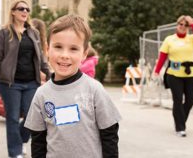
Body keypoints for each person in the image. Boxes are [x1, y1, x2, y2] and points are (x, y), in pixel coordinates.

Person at [24, 14, 122, 158]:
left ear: (84, 54)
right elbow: (38, 141)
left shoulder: (94, 90)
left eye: (73, 49)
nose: (65, 55)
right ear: (46, 49)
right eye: (58, 47)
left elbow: (110, 135)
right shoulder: (41, 94)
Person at [0, 0, 50, 158]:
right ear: (13, 12)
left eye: (27, 9)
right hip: (10, 83)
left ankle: (21, 139)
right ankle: (15, 152)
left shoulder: (33, 32)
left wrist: (49, 73)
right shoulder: (4, 33)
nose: (25, 11)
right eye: (21, 8)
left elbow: (41, 56)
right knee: (13, 117)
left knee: (32, 115)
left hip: (31, 82)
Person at [154, 15, 193, 137]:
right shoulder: (169, 40)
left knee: (190, 100)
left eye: (185, 25)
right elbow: (162, 57)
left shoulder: (192, 38)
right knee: (177, 100)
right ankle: (180, 128)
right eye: (180, 24)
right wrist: (156, 71)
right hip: (174, 74)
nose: (182, 27)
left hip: (191, 74)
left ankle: (179, 119)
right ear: (177, 25)